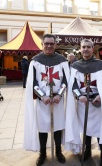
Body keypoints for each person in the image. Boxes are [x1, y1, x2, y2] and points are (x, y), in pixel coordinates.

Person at [65, 39, 102, 166]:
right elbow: (73, 84)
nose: (85, 49)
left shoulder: (100, 65)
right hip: (83, 102)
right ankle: (87, 150)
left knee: (101, 128)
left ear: (92, 49)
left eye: (88, 47)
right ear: (80, 48)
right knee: (86, 127)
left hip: (97, 103)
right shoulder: (75, 66)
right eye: (83, 47)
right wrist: (79, 96)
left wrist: (101, 96)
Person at [23, 34, 70, 166]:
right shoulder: (35, 61)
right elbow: (33, 82)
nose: (49, 46)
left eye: (51, 43)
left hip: (57, 100)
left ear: (55, 45)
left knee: (58, 126)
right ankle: (42, 153)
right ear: (42, 44)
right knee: (42, 127)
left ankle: (58, 152)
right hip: (42, 100)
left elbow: (66, 80)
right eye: (46, 43)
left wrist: (59, 94)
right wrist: (42, 96)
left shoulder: (62, 60)